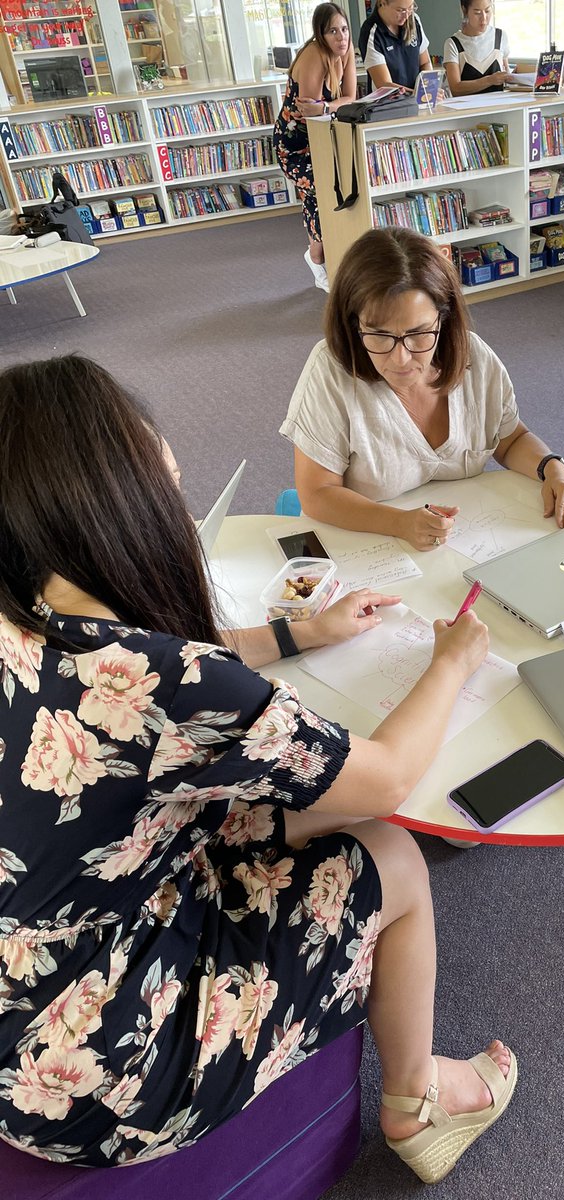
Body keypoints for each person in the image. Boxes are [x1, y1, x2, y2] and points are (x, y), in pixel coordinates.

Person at [0, 354, 517, 1180]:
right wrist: (450, 663)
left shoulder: (26, 614)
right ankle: (420, 1102)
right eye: (165, 477)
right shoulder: (173, 682)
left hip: (36, 966)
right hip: (95, 1074)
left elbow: (158, 668)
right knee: (392, 850)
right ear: (118, 507)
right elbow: (384, 774)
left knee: (297, 813)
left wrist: (299, 635)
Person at [280, 227, 564, 551]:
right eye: (379, 334)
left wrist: (554, 470)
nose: (400, 358)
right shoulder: (331, 371)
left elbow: (511, 439)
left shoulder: (472, 356)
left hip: (458, 546)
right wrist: (398, 523)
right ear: (352, 323)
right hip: (364, 546)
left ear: (443, 318)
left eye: (418, 333)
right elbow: (317, 493)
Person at [273, 3, 357, 292]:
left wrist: (329, 105)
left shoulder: (345, 53)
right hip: (295, 144)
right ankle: (319, 257)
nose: (341, 36)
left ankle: (325, 256)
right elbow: (310, 114)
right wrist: (329, 107)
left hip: (323, 139)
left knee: (334, 189)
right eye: (333, 31)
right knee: (320, 190)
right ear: (320, 34)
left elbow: (349, 97)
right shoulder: (314, 54)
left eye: (344, 29)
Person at [443, 0, 515, 96]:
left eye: (487, 11)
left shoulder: (500, 37)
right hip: (468, 109)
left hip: (498, 107)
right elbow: (455, 88)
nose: (484, 19)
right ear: (464, 10)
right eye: (477, 13)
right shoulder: (453, 44)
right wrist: (490, 80)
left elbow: (506, 73)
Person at [359, 0, 430, 92]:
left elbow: (425, 63)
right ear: (383, 3)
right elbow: (384, 85)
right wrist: (419, 95)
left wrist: (429, 89)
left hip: (417, 101)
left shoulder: (414, 20)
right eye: (400, 10)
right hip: (388, 104)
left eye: (411, 8)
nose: (406, 15)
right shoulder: (371, 32)